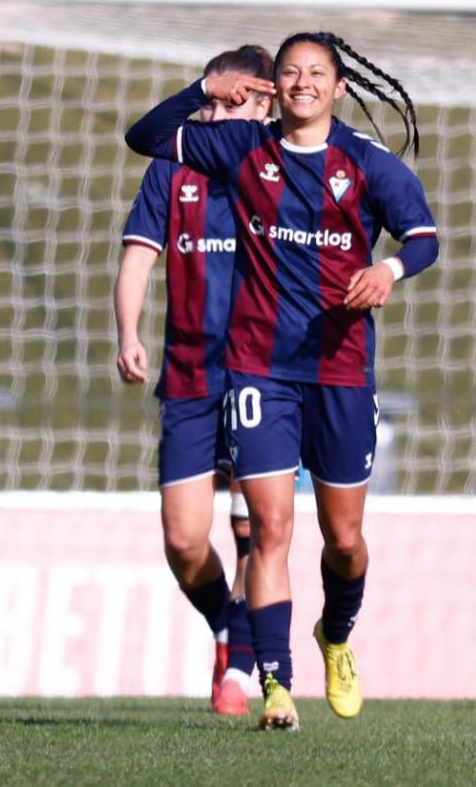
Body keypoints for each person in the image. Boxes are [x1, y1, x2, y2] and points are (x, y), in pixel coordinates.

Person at [126, 32, 439, 731]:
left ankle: (335, 636)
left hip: (339, 371)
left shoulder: (365, 163)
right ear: (278, 86)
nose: (301, 82)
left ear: (336, 88)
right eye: (291, 71)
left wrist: (388, 270)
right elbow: (145, 137)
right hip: (259, 370)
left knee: (345, 539)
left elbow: (423, 236)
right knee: (269, 528)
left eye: (315, 73)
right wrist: (205, 93)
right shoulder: (244, 149)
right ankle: (274, 685)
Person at [115, 44, 275, 716]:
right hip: (186, 376)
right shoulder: (170, 170)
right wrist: (128, 333)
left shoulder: (275, 171)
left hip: (262, 377)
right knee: (184, 540)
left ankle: (241, 666)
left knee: (254, 530)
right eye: (227, 99)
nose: (234, 112)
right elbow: (137, 261)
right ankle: (226, 627)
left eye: (249, 101)